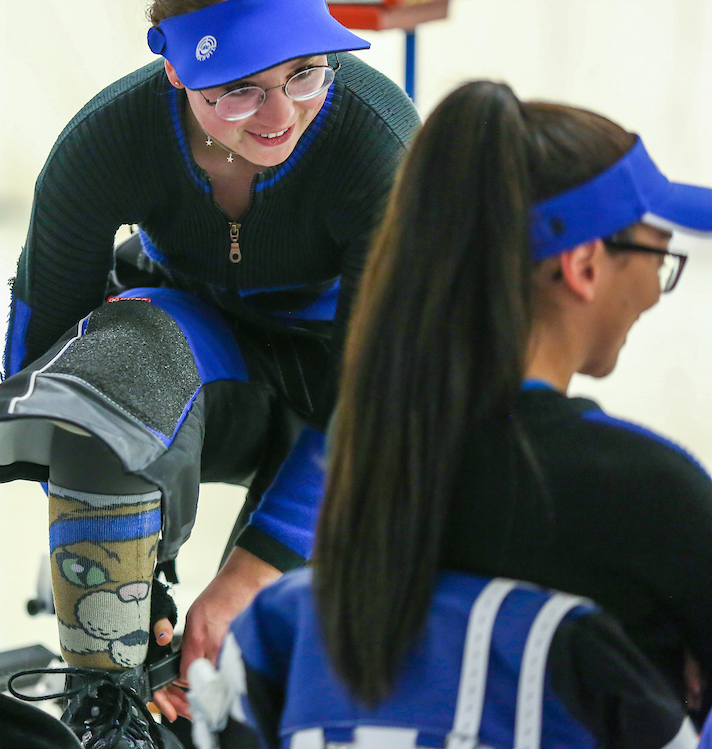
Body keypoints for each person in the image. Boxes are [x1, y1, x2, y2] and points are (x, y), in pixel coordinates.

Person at [0, 0, 418, 746]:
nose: (278, 115)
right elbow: (44, 369)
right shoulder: (106, 141)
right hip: (195, 361)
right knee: (108, 367)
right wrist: (126, 578)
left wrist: (253, 570)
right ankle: (110, 711)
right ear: (174, 69)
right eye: (237, 89)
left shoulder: (377, 141)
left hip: (351, 384)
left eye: (306, 72)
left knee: (261, 672)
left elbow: (385, 392)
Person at [226, 81, 712, 745]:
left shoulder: (363, 460)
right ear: (584, 266)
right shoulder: (651, 491)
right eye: (660, 260)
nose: (657, 291)